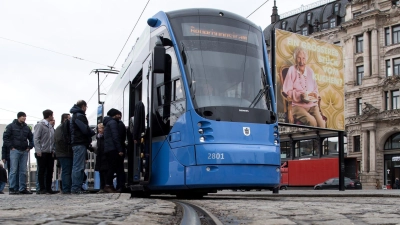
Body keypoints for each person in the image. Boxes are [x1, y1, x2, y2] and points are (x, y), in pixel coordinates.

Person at [283, 46, 325, 128]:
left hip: (311, 105)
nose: (301, 61)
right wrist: (300, 96)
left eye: (303, 58)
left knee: (322, 125)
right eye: (299, 58)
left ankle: (319, 140)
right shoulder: (292, 70)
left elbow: (315, 89)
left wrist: (314, 95)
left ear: (306, 59)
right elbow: (287, 91)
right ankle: (311, 140)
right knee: (312, 122)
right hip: (297, 106)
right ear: (295, 59)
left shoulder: (310, 71)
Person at [3, 112, 34, 194]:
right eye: (23, 116)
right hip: (15, 150)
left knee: (23, 171)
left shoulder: (26, 128)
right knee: (13, 170)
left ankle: (22, 188)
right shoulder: (10, 126)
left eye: (25, 116)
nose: (24, 118)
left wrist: (29, 147)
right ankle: (12, 188)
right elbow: (5, 137)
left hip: (24, 151)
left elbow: (31, 138)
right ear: (19, 117)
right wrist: (11, 147)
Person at [70, 100, 95, 194]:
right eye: (86, 107)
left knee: (78, 166)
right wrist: (92, 132)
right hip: (79, 143)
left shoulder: (75, 115)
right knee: (78, 167)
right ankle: (76, 188)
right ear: (83, 106)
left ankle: (77, 187)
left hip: (78, 143)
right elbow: (84, 129)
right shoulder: (79, 116)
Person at [34, 109, 57, 194]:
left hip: (50, 152)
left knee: (50, 170)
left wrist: (53, 150)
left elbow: (52, 140)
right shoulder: (40, 125)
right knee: (42, 170)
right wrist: (38, 150)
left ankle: (48, 188)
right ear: (50, 115)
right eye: (52, 115)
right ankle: (41, 188)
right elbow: (36, 138)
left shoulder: (50, 126)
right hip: (42, 151)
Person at [103, 108, 124, 193]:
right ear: (114, 115)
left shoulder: (107, 122)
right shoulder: (113, 123)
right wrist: (120, 149)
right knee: (113, 168)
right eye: (118, 114)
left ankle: (109, 185)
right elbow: (115, 137)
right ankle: (108, 185)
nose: (119, 116)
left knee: (111, 167)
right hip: (113, 149)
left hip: (109, 149)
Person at [54, 113, 73, 194]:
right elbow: (61, 141)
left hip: (62, 153)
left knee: (66, 171)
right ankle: (66, 189)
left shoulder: (59, 128)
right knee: (66, 171)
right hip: (64, 153)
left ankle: (66, 188)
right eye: (69, 118)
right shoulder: (62, 128)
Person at [95, 123, 107, 193]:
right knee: (101, 172)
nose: (100, 130)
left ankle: (104, 186)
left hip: (104, 156)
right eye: (99, 128)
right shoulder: (98, 137)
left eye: (101, 128)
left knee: (105, 172)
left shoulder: (103, 137)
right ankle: (102, 187)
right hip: (99, 156)